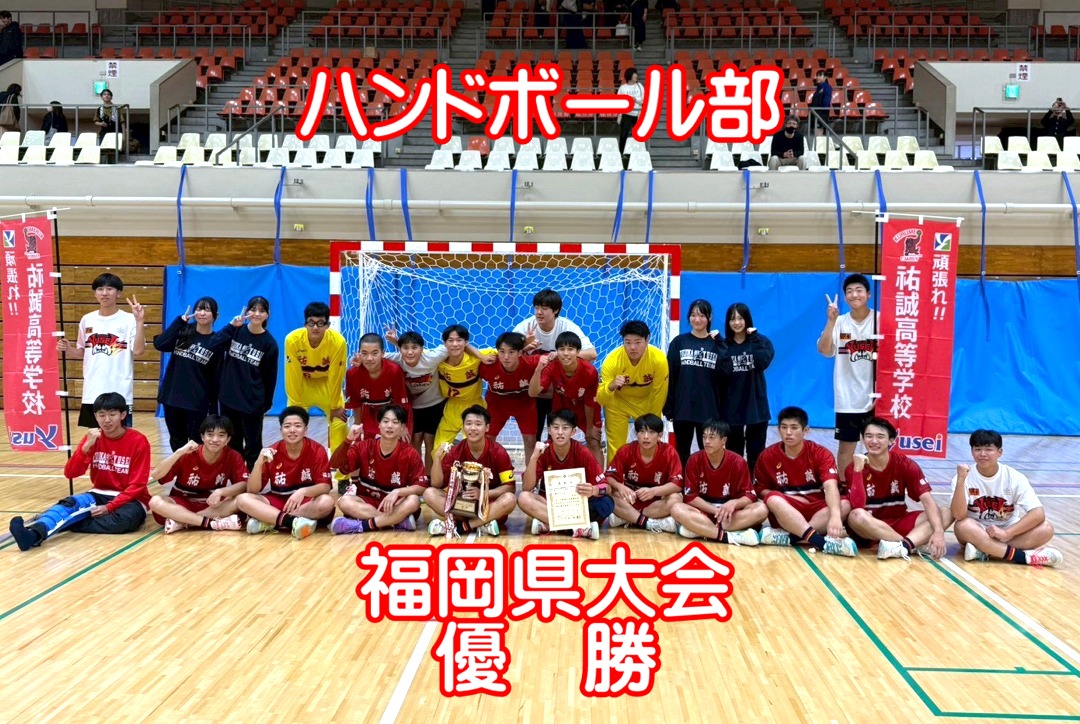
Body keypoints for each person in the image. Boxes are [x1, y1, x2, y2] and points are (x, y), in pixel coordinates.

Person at [8, 393, 150, 551]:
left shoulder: (138, 441)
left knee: (126, 519)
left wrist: (109, 507)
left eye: (112, 414)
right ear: (95, 416)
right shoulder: (92, 438)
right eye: (101, 415)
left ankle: (67, 521)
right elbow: (70, 473)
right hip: (98, 493)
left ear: (123, 415)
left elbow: (138, 485)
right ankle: (32, 536)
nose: (107, 420)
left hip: (132, 499)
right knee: (70, 504)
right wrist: (85, 448)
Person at [753, 406, 856, 557]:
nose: (788, 432)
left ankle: (792, 538)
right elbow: (760, 489)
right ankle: (821, 543)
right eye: (784, 427)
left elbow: (830, 486)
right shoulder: (767, 456)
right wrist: (789, 498)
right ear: (778, 429)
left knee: (845, 504)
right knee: (772, 498)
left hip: (817, 510)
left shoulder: (820, 454)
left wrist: (835, 516)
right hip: (788, 510)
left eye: (794, 428)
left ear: (805, 430)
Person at [950, 429, 1062, 567]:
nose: (982, 454)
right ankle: (1023, 557)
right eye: (977, 449)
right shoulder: (963, 476)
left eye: (988, 449)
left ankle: (985, 551)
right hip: (977, 531)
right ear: (972, 452)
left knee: (1046, 528)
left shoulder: (1014, 477)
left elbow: (1038, 513)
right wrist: (961, 480)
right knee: (962, 525)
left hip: (1008, 531)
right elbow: (958, 515)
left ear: (1000, 452)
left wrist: (1006, 533)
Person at [845, 418, 949, 561]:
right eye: (869, 436)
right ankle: (908, 544)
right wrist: (858, 471)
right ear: (863, 439)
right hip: (870, 528)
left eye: (880, 436)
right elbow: (857, 505)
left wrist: (938, 532)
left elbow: (927, 500)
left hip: (899, 521)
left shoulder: (905, 464)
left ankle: (901, 546)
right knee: (856, 515)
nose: (874, 441)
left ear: (891, 441)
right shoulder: (853, 468)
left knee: (945, 512)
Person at [57, 272, 146, 428]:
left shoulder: (129, 319)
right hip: (92, 391)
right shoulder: (87, 319)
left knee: (119, 435)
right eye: (100, 289)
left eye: (109, 289)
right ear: (95, 293)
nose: (104, 293)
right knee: (94, 435)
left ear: (118, 293)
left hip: (120, 391)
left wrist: (139, 322)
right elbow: (82, 352)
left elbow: (138, 351)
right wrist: (68, 349)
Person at [236, 407, 336, 539]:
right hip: (278, 500)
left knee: (326, 502)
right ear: (281, 430)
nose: (292, 430)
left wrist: (303, 492)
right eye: (287, 426)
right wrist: (258, 463)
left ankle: (270, 521)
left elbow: (325, 487)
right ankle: (291, 522)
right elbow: (252, 490)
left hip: (304, 503)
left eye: (298, 426)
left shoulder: (317, 450)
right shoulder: (272, 451)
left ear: (305, 430)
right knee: (243, 499)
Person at [329, 405, 428, 535]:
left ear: (403, 428)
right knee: (344, 502)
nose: (389, 426)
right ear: (379, 425)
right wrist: (348, 440)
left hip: (395, 504)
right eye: (385, 421)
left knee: (413, 501)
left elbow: (421, 487)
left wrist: (398, 491)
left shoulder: (410, 454)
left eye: (395, 422)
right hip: (368, 502)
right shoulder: (364, 447)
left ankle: (362, 526)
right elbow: (334, 464)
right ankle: (395, 521)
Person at [424, 405, 518, 537]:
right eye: (468, 424)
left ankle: (461, 526)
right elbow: (436, 484)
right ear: (463, 427)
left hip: (488, 505)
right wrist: (437, 459)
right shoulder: (455, 451)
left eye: (478, 424)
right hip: (462, 505)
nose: (473, 428)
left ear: (487, 428)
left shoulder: (498, 452)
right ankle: (481, 524)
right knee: (429, 493)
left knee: (510, 499)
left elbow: (510, 488)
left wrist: (483, 493)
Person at [817, 273, 876, 483]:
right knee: (845, 448)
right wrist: (831, 321)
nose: (854, 295)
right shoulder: (840, 322)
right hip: (848, 397)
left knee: (878, 446)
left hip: (876, 398)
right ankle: (844, 488)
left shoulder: (879, 320)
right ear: (845, 296)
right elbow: (824, 350)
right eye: (849, 291)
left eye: (859, 290)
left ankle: (876, 488)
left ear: (868, 294)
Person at [518, 408, 614, 539]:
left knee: (607, 503)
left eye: (565, 428)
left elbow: (607, 487)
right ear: (549, 430)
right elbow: (527, 487)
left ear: (573, 431)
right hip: (551, 504)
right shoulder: (543, 450)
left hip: (577, 504)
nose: (560, 432)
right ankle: (578, 527)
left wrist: (594, 490)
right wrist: (534, 457)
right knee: (523, 498)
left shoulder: (582, 452)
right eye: (555, 427)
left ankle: (550, 524)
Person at [513, 288, 597, 437]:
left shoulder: (567, 327)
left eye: (544, 308)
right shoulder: (525, 327)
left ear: (556, 310)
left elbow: (592, 354)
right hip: (533, 392)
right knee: (532, 437)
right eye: (536, 308)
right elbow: (507, 356)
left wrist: (560, 354)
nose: (539, 312)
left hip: (559, 394)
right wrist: (524, 347)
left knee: (557, 437)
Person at [670, 419, 766, 545]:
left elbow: (750, 496)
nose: (706, 441)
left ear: (724, 440)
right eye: (704, 437)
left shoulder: (738, 462)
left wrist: (734, 503)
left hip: (730, 516)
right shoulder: (694, 460)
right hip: (703, 513)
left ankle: (701, 530)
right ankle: (727, 536)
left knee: (762, 509)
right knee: (676, 508)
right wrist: (715, 511)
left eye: (712, 437)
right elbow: (690, 497)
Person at [148, 414, 248, 534]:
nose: (215, 439)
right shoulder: (187, 454)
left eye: (221, 435)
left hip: (213, 505)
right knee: (155, 502)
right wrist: (178, 452)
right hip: (181, 503)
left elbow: (244, 484)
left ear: (228, 439)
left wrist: (221, 492)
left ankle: (183, 521)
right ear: (202, 437)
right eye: (210, 434)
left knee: (241, 501)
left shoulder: (233, 456)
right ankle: (210, 523)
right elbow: (156, 475)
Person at [154, 296, 231, 452]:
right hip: (172, 398)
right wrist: (180, 321)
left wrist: (213, 409)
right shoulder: (183, 332)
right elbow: (160, 344)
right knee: (177, 440)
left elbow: (216, 377)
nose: (202, 313)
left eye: (207, 310)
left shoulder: (216, 341)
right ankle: (180, 467)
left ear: (215, 315)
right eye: (199, 309)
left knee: (197, 442)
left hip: (197, 401)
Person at [596, 319, 669, 464]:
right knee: (616, 447)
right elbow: (600, 399)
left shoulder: (659, 359)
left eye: (637, 342)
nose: (632, 347)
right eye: (627, 342)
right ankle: (615, 476)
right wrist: (611, 386)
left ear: (647, 340)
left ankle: (650, 472)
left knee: (649, 441)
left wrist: (653, 421)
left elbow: (659, 393)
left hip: (646, 402)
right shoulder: (611, 361)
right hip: (617, 403)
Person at [218, 296, 279, 470]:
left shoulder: (269, 344)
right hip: (229, 398)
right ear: (247, 311)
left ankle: (254, 477)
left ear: (267, 315)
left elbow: (270, 376)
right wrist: (231, 326)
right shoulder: (236, 331)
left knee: (253, 443)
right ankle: (236, 476)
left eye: (261, 311)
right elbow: (215, 343)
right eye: (253, 309)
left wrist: (265, 403)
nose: (257, 314)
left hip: (252, 401)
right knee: (232, 442)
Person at [529, 330, 603, 465]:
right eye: (562, 349)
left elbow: (589, 402)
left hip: (586, 407)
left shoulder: (590, 371)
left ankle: (599, 477)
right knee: (556, 439)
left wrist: (589, 428)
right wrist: (538, 369)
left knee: (593, 440)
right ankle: (553, 474)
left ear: (578, 352)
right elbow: (532, 393)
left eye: (570, 349)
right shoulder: (551, 367)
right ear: (556, 351)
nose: (566, 353)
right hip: (562, 403)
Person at [284, 301, 348, 454]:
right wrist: (295, 407)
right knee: (293, 424)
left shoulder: (338, 342)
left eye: (320, 323)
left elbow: (336, 375)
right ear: (305, 324)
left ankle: (340, 468)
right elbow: (292, 375)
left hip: (327, 385)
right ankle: (295, 462)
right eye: (311, 323)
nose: (315, 328)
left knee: (339, 423)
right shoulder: (292, 340)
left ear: (328, 325)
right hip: (302, 385)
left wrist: (335, 406)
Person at [664, 299, 723, 466]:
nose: (697, 319)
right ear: (688, 317)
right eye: (693, 315)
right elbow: (671, 375)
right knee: (682, 451)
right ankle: (682, 481)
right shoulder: (679, 342)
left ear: (709, 318)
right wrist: (669, 406)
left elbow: (725, 376)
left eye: (702, 315)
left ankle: (707, 481)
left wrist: (721, 343)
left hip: (709, 409)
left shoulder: (717, 344)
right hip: (683, 408)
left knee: (709, 451)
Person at [717, 302, 773, 474]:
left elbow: (763, 363)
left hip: (756, 405)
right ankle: (737, 483)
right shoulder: (724, 345)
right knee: (734, 453)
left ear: (747, 319)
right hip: (731, 407)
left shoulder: (761, 341)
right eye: (732, 319)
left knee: (756, 452)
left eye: (740, 318)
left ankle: (755, 484)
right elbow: (720, 373)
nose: (736, 323)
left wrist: (754, 339)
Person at [605, 414, 682, 533]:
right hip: (629, 501)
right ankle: (649, 522)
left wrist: (653, 491)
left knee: (676, 498)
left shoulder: (669, 452)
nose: (646, 437)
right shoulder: (626, 450)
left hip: (655, 504)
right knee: (608, 493)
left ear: (660, 435)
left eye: (651, 432)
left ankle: (627, 518)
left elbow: (677, 484)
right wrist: (620, 487)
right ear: (636, 434)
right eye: (641, 432)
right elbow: (608, 477)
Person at [479, 331, 542, 461]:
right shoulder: (487, 365)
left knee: (530, 440)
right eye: (502, 352)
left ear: (520, 353)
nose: (506, 357)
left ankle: (530, 472)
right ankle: (486, 471)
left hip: (525, 405)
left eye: (511, 352)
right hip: (497, 405)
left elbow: (555, 358)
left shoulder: (532, 363)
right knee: (487, 439)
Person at [345, 333, 410, 439]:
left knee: (400, 441)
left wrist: (402, 425)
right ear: (359, 354)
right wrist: (357, 424)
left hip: (393, 411)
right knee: (365, 443)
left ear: (383, 353)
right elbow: (356, 402)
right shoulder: (352, 373)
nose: (369, 358)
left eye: (375, 353)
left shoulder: (394, 370)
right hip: (368, 411)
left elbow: (400, 401)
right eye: (364, 353)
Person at [433, 324, 488, 449]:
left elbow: (506, 350)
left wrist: (526, 344)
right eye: (450, 340)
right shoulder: (437, 360)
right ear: (444, 343)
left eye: (459, 340)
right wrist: (396, 342)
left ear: (466, 342)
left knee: (475, 447)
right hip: (452, 406)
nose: (455, 344)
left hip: (475, 406)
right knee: (438, 449)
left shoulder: (476, 357)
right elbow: (413, 354)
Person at [618, 67, 644, 152]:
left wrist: (635, 100)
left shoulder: (639, 86)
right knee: (623, 135)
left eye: (636, 74)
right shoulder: (623, 88)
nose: (636, 76)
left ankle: (638, 151)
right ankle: (621, 152)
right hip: (627, 114)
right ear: (629, 75)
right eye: (634, 74)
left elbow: (644, 99)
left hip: (638, 114)